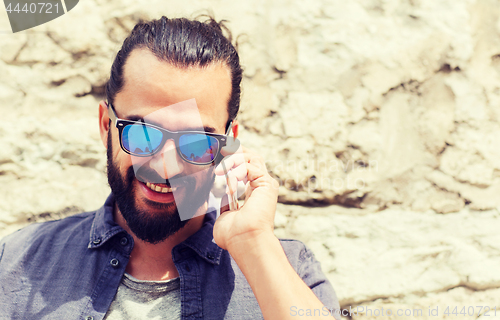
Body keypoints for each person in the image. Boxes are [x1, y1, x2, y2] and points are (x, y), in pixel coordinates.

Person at [0, 16, 340, 319]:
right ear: (106, 126)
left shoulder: (288, 271)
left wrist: (252, 243)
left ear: (228, 142)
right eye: (143, 133)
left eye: (197, 141)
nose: (165, 166)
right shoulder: (16, 263)